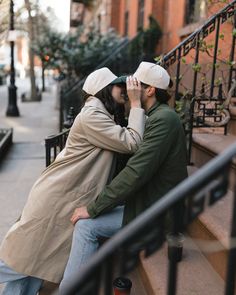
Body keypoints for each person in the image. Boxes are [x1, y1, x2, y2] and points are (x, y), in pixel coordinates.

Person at [0, 67, 146, 295]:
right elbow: (132, 142)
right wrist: (136, 104)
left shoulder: (101, 114)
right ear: (104, 90)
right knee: (20, 260)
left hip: (64, 195)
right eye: (119, 85)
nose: (124, 89)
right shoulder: (92, 116)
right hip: (57, 198)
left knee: (34, 264)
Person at [59, 62, 188, 292]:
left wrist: (94, 208)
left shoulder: (164, 119)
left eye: (137, 84)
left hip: (156, 210)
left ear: (149, 90)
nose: (130, 88)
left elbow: (136, 172)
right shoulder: (154, 115)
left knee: (86, 226)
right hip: (144, 201)